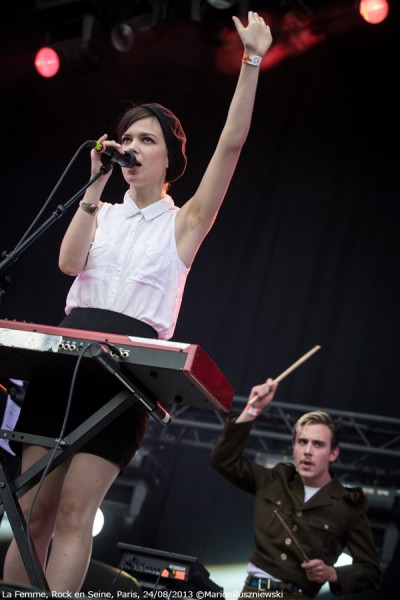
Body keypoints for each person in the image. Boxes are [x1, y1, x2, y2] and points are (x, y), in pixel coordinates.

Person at [2, 11, 273, 595]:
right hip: (65, 361)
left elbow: (230, 145)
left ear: (170, 159)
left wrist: (250, 62)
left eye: (145, 139)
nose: (131, 146)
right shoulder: (100, 208)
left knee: (75, 514)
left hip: (120, 379)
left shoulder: (184, 223)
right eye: (126, 138)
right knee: (30, 515)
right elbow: (69, 265)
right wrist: (94, 188)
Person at [210, 379, 383, 599]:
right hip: (253, 592)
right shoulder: (274, 479)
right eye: (302, 442)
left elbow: (371, 571)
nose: (308, 451)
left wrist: (332, 573)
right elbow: (223, 460)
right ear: (293, 446)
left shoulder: (347, 505)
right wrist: (253, 408)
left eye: (318, 444)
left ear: (333, 454)